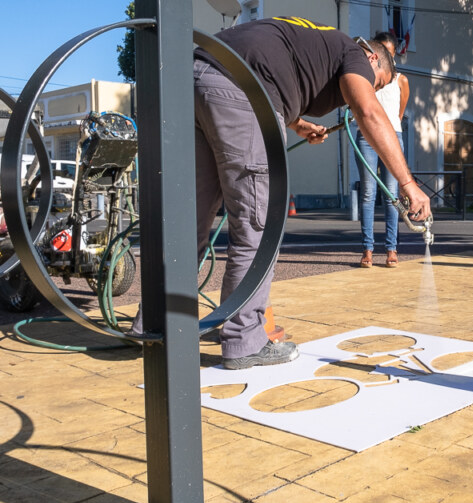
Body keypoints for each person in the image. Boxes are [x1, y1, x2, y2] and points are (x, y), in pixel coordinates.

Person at [134, 16, 430, 370]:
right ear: (372, 60)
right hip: (239, 92)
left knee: (191, 223)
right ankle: (244, 340)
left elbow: (265, 66)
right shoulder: (355, 54)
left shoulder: (319, 39)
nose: (370, 88)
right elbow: (369, 112)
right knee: (258, 225)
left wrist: (299, 124)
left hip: (196, 79)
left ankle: (154, 323)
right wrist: (409, 184)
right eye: (376, 82)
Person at [354, 32, 410, 268]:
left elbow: (400, 111)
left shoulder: (401, 80)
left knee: (391, 196)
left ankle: (391, 249)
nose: (384, 55)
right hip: (365, 135)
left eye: (389, 50)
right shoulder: (364, 77)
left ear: (394, 52)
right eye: (381, 51)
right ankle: (367, 249)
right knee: (368, 194)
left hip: (392, 136)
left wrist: (390, 130)